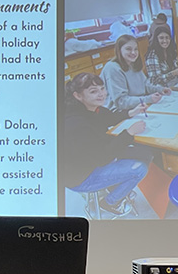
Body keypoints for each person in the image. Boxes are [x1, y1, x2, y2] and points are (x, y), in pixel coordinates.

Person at [63, 72, 152, 216]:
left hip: (91, 160)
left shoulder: (91, 108)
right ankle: (111, 202)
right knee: (139, 168)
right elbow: (102, 157)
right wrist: (128, 133)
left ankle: (115, 186)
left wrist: (132, 112)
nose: (101, 94)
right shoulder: (77, 123)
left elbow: (109, 117)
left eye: (102, 89)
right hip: (81, 176)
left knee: (145, 153)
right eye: (93, 91)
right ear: (77, 95)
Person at [100, 34, 171, 113]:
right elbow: (121, 102)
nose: (133, 52)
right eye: (128, 49)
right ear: (119, 50)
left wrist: (160, 89)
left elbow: (145, 86)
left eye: (136, 49)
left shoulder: (132, 63)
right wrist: (148, 99)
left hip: (138, 105)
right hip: (120, 112)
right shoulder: (112, 68)